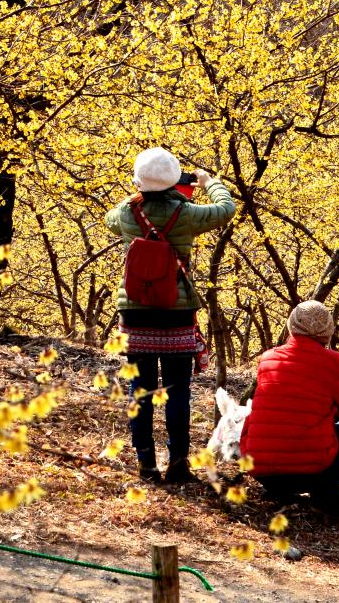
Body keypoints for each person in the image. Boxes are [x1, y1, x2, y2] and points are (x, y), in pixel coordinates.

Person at [105, 147, 236, 483]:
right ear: (173, 179)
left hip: (134, 316)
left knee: (141, 391)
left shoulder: (127, 212)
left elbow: (110, 220)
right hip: (176, 315)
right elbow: (226, 208)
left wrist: (138, 193)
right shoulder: (188, 213)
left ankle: (146, 463)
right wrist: (210, 182)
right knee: (178, 391)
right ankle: (178, 461)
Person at [238, 300, 339, 504]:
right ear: (327, 332)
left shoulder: (267, 358)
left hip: (260, 468)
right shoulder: (333, 362)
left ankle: (279, 489)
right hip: (311, 472)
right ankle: (327, 489)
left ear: (291, 327)